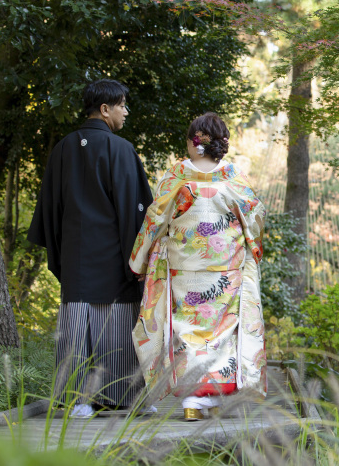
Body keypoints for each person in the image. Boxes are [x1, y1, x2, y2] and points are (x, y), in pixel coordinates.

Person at [28, 79, 154, 418]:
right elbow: (134, 210)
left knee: (75, 323)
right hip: (114, 256)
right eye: (122, 105)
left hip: (73, 254)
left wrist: (61, 253)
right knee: (115, 319)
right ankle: (119, 396)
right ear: (104, 109)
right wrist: (138, 261)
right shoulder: (120, 149)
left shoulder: (63, 149)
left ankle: (75, 400)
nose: (125, 112)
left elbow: (50, 211)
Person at [129, 112, 267, 421]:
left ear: (195, 143)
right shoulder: (234, 176)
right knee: (220, 332)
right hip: (225, 269)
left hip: (183, 269)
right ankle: (210, 397)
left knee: (187, 330)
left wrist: (139, 259)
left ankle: (193, 399)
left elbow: (155, 219)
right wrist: (251, 248)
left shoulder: (177, 174)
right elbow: (255, 219)